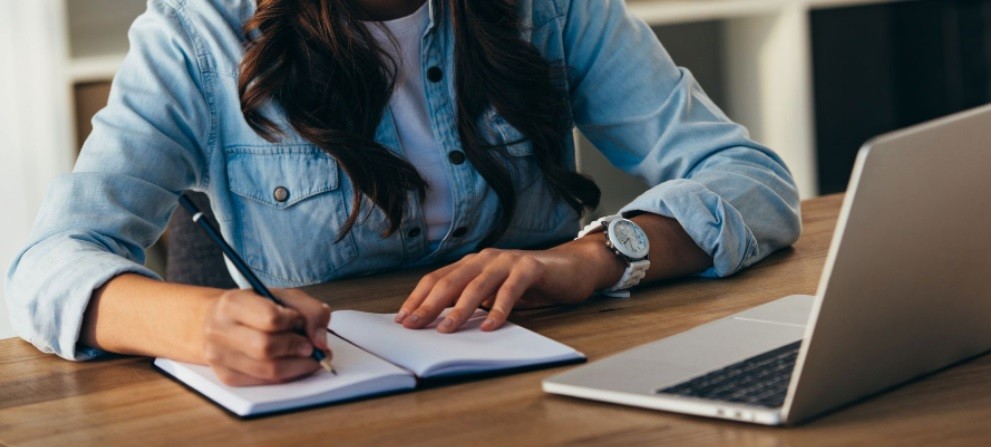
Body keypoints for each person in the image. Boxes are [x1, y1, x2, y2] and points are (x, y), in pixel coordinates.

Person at [5, 0, 800, 386]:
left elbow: (751, 179)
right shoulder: (197, 33)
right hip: (317, 412)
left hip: (545, 392)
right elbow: (46, 265)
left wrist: (587, 259)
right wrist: (193, 321)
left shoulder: (553, 8)